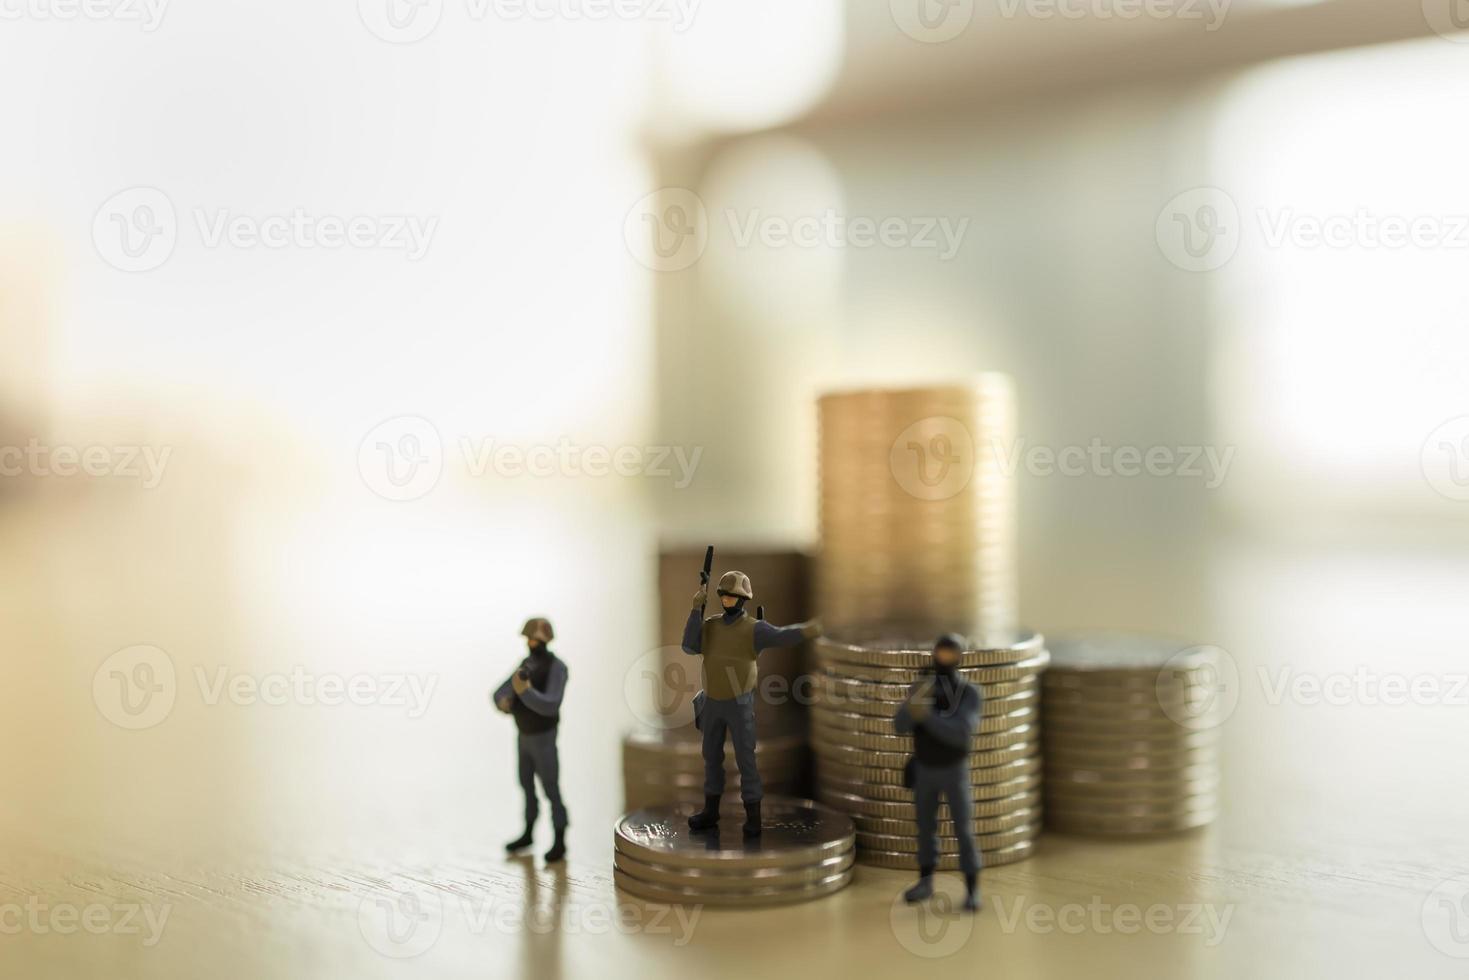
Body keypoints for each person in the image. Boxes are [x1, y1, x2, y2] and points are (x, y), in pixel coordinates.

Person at [681, 570, 821, 837]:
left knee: (747, 761)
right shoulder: (709, 625)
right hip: (711, 702)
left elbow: (782, 635)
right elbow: (689, 645)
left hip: (739, 704)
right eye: (724, 595)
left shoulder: (754, 628)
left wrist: (809, 630)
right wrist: (695, 609)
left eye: (733, 596)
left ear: (743, 598)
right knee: (711, 758)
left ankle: (753, 816)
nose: (727, 600)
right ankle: (711, 811)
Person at [893, 633, 983, 912]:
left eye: (949, 653)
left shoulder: (968, 693)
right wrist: (914, 703)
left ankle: (971, 889)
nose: (944, 658)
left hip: (953, 770)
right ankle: (925, 881)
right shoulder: (924, 688)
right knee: (925, 829)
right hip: (926, 769)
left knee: (963, 830)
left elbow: (961, 733)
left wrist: (927, 716)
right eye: (941, 652)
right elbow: (899, 725)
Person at [495, 617, 569, 862]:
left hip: (543, 738)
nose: (530, 643)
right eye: (528, 639)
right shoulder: (526, 664)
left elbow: (550, 704)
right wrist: (505, 701)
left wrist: (524, 692)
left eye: (534, 639)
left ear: (545, 639)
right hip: (524, 736)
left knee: (550, 788)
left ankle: (560, 838)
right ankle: (528, 831)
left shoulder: (557, 668)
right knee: (525, 784)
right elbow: (501, 691)